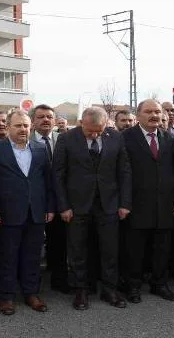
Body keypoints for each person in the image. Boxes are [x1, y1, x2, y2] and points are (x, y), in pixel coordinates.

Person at [53, 106, 132, 309]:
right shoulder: (66, 138)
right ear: (81, 123)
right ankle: (81, 290)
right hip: (77, 205)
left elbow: (124, 171)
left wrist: (124, 203)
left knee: (110, 249)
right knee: (78, 249)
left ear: (106, 124)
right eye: (90, 131)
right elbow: (58, 175)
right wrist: (63, 206)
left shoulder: (115, 137)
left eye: (99, 130)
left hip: (109, 204)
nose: (95, 135)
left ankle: (109, 289)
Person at [0, 110, 53, 315]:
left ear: (31, 127)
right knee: (7, 256)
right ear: (7, 127)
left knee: (32, 256)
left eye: (25, 125)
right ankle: (6, 297)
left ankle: (31, 293)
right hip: (7, 213)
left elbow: (48, 182)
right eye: (18, 126)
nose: (23, 129)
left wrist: (50, 207)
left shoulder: (41, 149)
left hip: (36, 212)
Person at [121, 100, 174, 303]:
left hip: (165, 204)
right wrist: (124, 202)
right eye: (148, 112)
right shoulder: (125, 138)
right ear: (138, 115)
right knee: (135, 249)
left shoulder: (169, 138)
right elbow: (120, 172)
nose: (154, 115)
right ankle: (133, 286)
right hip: (136, 204)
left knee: (162, 248)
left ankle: (159, 285)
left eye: (157, 112)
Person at [30, 104, 67, 293]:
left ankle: (58, 280)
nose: (46, 120)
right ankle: (31, 283)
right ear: (33, 121)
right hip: (34, 201)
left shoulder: (64, 140)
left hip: (60, 200)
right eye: (41, 116)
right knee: (33, 244)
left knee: (59, 242)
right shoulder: (24, 141)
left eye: (49, 117)